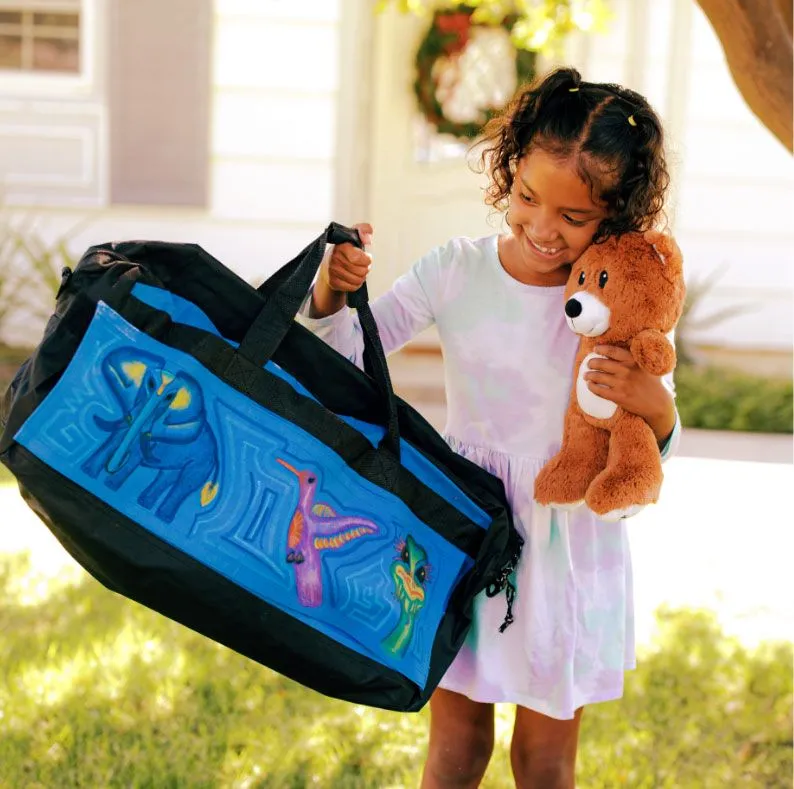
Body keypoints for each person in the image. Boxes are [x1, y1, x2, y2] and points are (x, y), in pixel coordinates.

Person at [297, 66, 681, 789]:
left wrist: (654, 405)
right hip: (468, 528)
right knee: (455, 741)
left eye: (574, 218)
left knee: (544, 757)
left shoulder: (616, 303)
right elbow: (350, 353)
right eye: (529, 197)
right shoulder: (456, 270)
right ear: (508, 171)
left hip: (567, 540)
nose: (542, 226)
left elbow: (654, 438)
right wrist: (331, 290)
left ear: (617, 217)